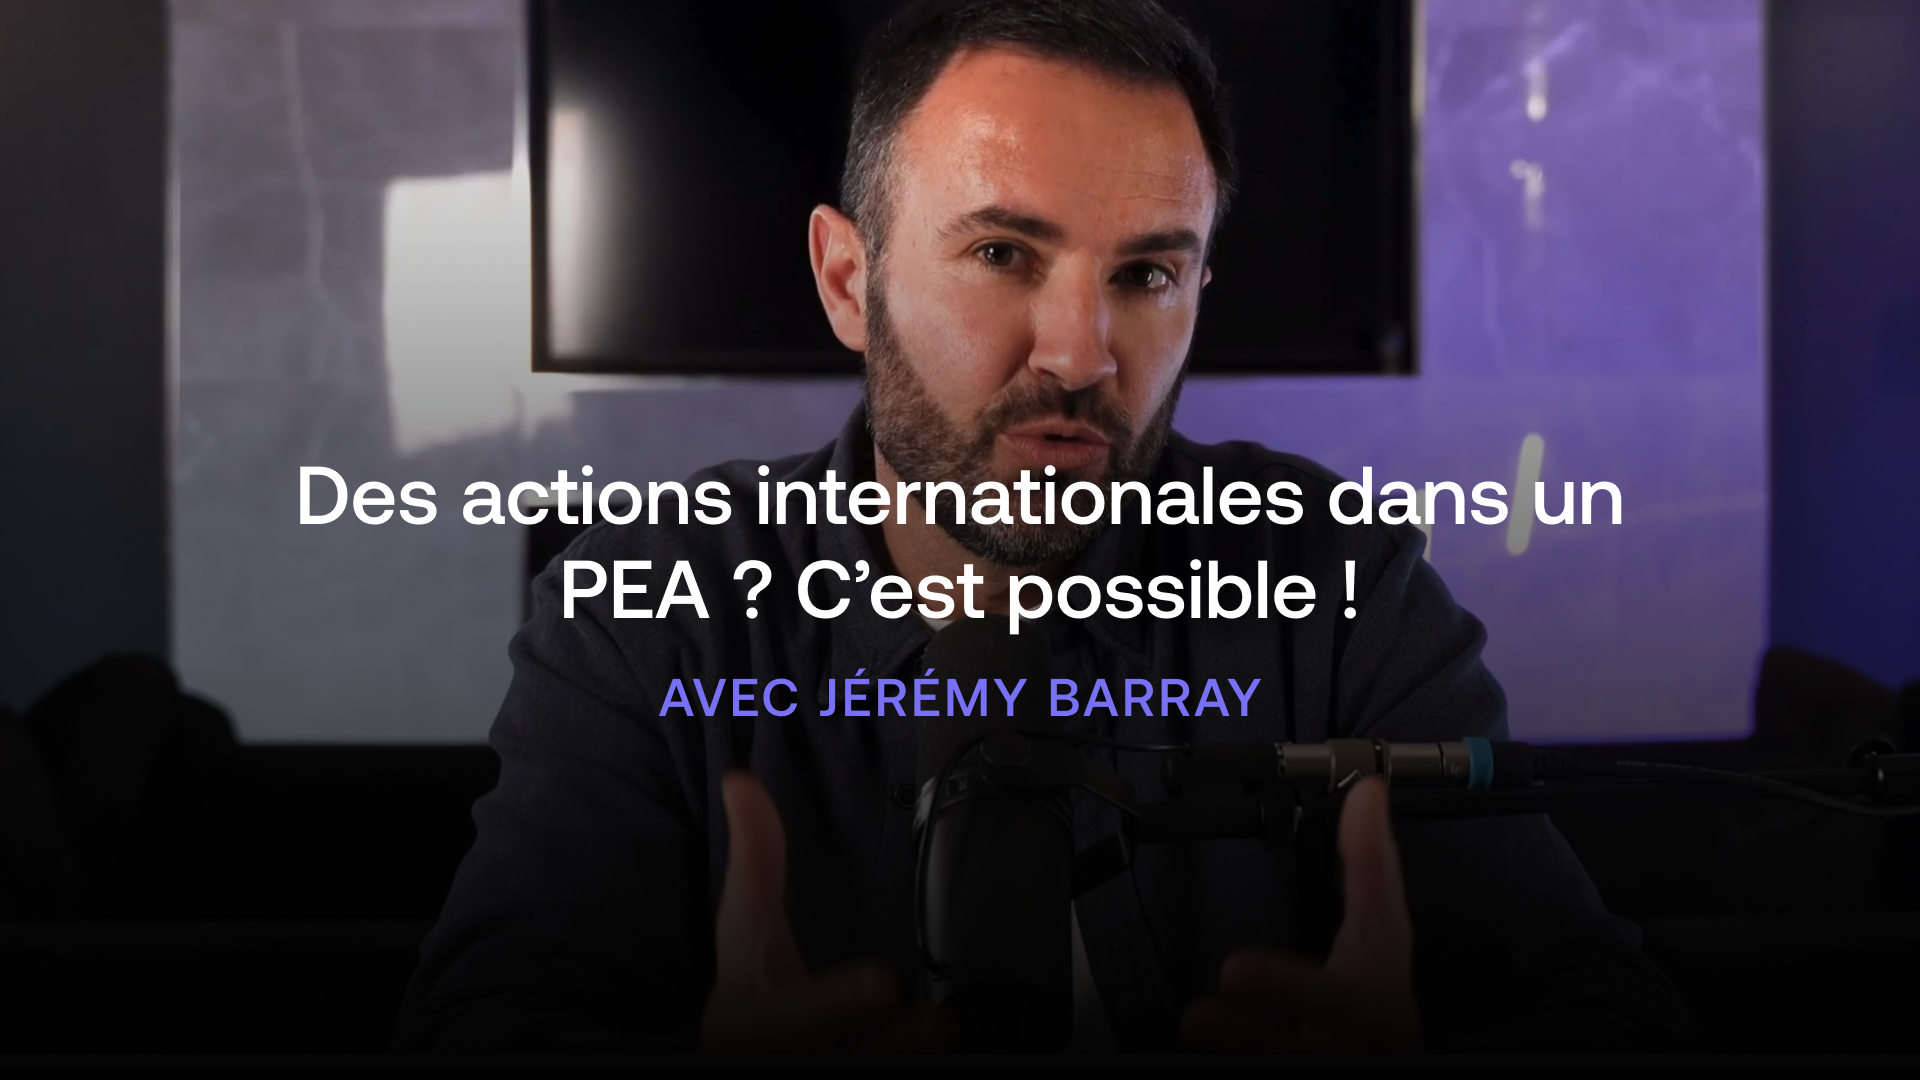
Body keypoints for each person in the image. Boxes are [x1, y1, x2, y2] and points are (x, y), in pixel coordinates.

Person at [397, 0, 1694, 1052]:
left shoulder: (1334, 574)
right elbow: (483, 1024)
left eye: (1145, 273)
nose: (1080, 353)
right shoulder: (648, 601)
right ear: (849, 280)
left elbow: (1605, 1010)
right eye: (1003, 255)